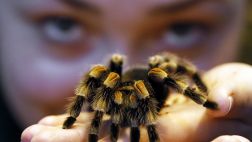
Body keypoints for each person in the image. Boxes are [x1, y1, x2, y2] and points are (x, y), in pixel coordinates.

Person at [0, 0, 250, 141]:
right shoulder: (110, 88)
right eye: (63, 25)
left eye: (182, 28)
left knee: (160, 68)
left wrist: (204, 99)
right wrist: (75, 121)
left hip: (149, 86)